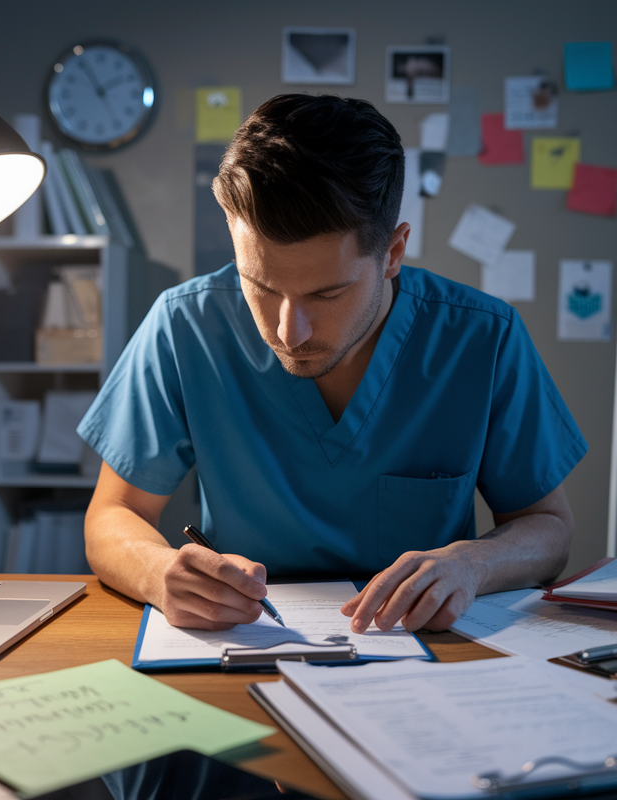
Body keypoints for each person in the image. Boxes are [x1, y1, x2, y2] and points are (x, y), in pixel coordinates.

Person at [77, 94, 587, 634]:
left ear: (392, 254)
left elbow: (547, 526)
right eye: (261, 286)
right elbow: (113, 514)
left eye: (327, 294)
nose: (287, 331)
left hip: (426, 653)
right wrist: (160, 573)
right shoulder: (186, 326)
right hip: (246, 642)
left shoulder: (483, 337)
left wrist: (472, 564)